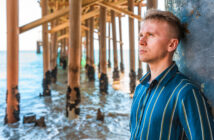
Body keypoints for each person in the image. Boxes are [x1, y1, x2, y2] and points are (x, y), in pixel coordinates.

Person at [130, 9, 214, 140]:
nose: (141, 41)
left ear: (171, 44)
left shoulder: (185, 92)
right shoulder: (140, 88)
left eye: (151, 35)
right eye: (140, 35)